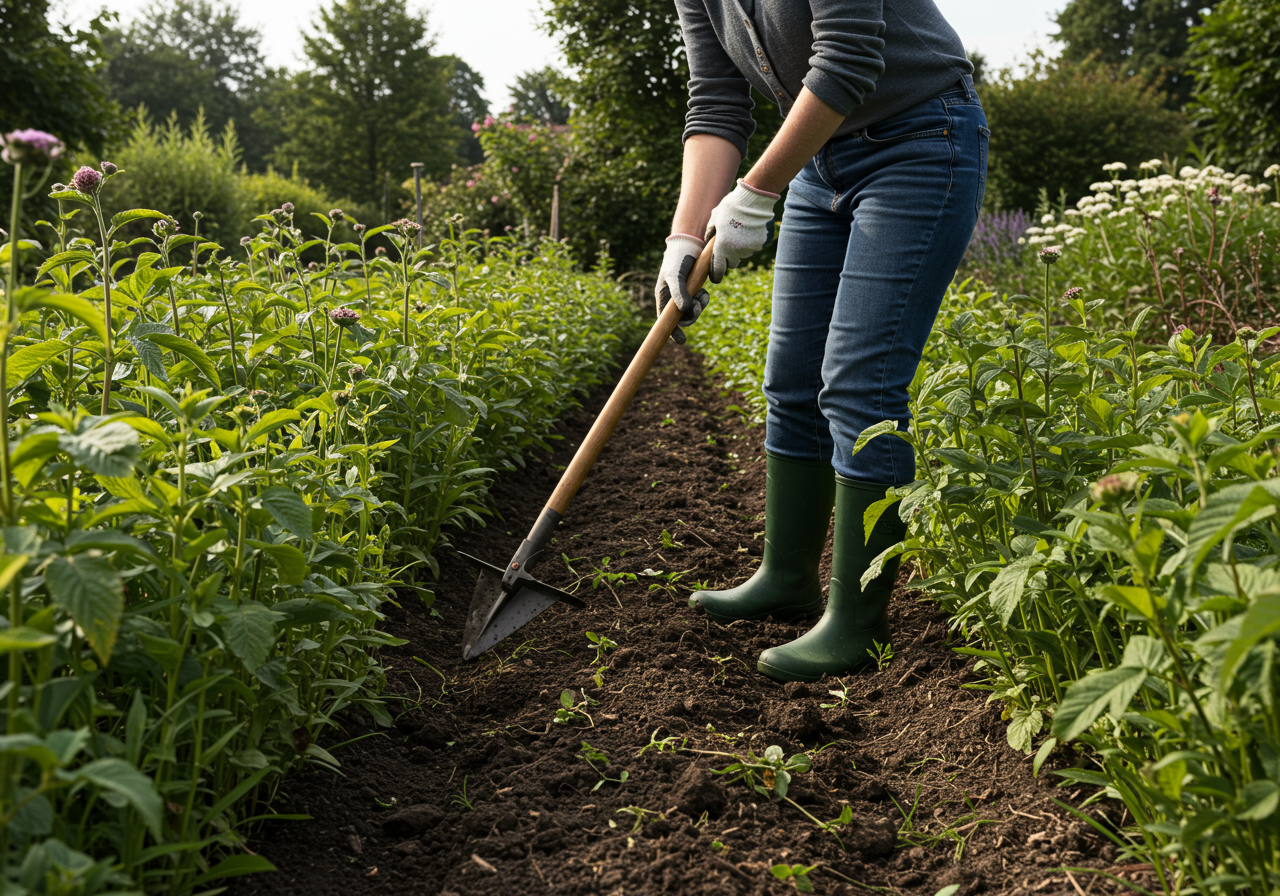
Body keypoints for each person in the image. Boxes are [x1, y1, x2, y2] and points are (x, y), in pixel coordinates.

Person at [655, 0, 987, 683]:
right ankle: (786, 577)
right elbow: (715, 100)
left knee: (861, 383)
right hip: (820, 156)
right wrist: (686, 235)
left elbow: (849, 59)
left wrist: (753, 193)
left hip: (920, 140)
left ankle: (857, 623)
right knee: (791, 376)